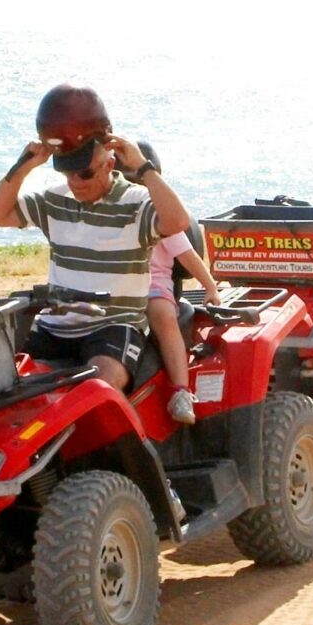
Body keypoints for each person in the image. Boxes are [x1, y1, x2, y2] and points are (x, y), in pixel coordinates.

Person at [0, 85, 194, 391]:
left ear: (110, 163)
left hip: (112, 325)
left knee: (98, 385)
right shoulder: (55, 201)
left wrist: (143, 167)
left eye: (84, 174)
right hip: (55, 326)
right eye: (67, 173)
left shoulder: (136, 203)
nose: (75, 182)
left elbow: (178, 221)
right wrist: (23, 166)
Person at [135, 143, 221, 425]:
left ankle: (181, 391)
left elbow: (188, 256)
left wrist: (209, 286)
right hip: (116, 288)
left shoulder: (159, 217)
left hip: (153, 285)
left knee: (163, 317)